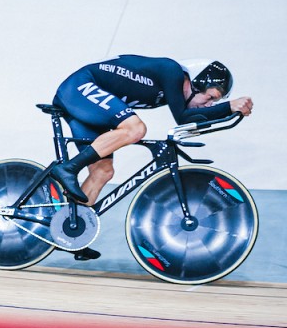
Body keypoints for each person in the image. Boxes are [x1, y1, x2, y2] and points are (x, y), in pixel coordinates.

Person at [49, 55, 253, 259]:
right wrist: (228, 106)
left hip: (89, 101)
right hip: (80, 87)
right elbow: (183, 118)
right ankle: (67, 169)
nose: (208, 105)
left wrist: (228, 111)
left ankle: (71, 233)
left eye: (214, 102)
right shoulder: (171, 72)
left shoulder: (174, 89)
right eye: (210, 97)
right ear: (194, 83)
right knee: (136, 128)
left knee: (103, 171)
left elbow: (190, 119)